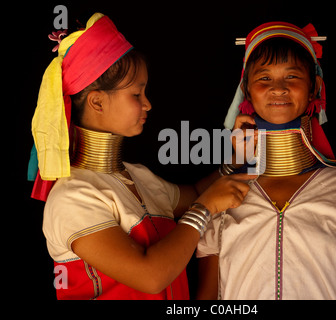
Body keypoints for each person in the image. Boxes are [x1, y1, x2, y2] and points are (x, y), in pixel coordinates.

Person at [28, 13, 252, 300]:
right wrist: (205, 208)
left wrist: (234, 161)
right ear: (97, 101)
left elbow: (195, 193)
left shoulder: (137, 176)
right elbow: (150, 277)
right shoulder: (72, 197)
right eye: (136, 94)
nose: (147, 103)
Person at [196, 21, 336, 300]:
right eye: (264, 78)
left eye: (292, 76)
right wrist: (234, 164)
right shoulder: (220, 198)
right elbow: (206, 297)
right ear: (246, 89)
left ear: (314, 87)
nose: (278, 88)